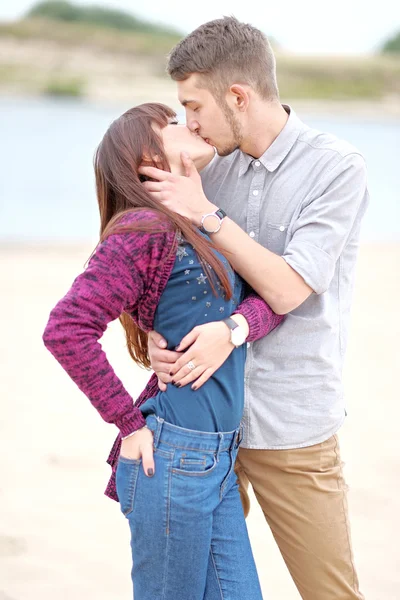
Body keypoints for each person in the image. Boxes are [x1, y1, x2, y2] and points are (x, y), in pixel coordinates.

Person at [140, 17, 369, 600]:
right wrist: (150, 335)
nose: (189, 121)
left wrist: (207, 214)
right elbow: (160, 266)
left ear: (237, 96)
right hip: (205, 422)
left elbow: (291, 289)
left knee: (330, 592)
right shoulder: (210, 163)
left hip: (291, 426)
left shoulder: (336, 168)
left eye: (194, 106)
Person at [42, 102, 284, 599]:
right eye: (171, 123)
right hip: (173, 458)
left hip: (219, 460)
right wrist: (127, 424)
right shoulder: (144, 231)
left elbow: (275, 299)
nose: (188, 124)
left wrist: (237, 326)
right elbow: (66, 328)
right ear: (147, 158)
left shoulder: (201, 223)